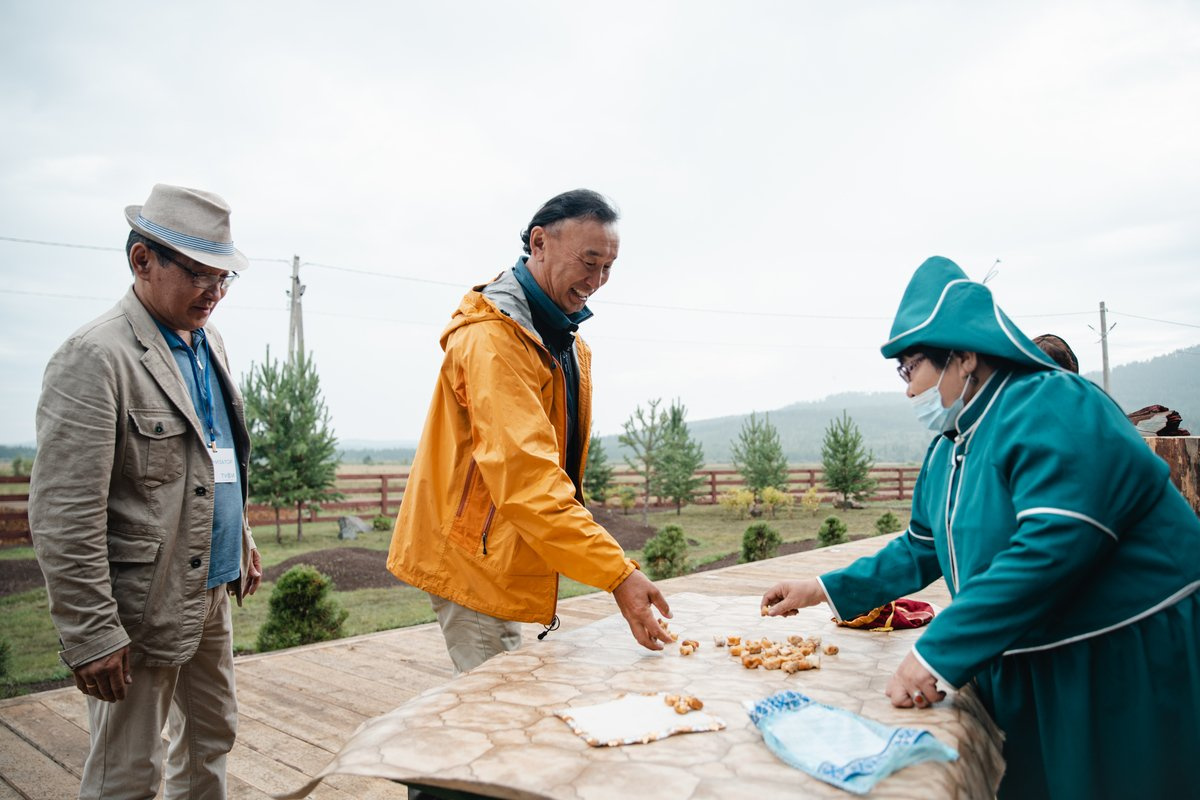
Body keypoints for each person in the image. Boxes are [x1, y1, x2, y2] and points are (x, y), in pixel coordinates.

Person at [761, 256, 1200, 799]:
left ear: (964, 357)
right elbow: (922, 547)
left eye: (911, 369)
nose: (907, 390)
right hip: (1029, 661)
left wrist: (937, 650)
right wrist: (822, 589)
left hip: (1116, 660)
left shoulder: (1056, 405)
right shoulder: (949, 448)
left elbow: (1052, 545)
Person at [29, 184, 263, 799]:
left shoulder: (208, 342)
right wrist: (92, 633)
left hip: (211, 588)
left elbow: (213, 455)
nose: (214, 292)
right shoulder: (94, 356)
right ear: (141, 261)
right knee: (128, 773)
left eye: (224, 277)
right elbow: (63, 513)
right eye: (199, 275)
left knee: (213, 738)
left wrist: (239, 537)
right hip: (140, 606)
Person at [387, 189, 672, 674]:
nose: (597, 280)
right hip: (473, 557)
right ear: (539, 243)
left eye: (608, 267)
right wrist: (618, 575)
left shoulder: (561, 338)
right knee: (497, 711)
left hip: (504, 548)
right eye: (589, 261)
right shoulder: (494, 340)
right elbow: (527, 477)